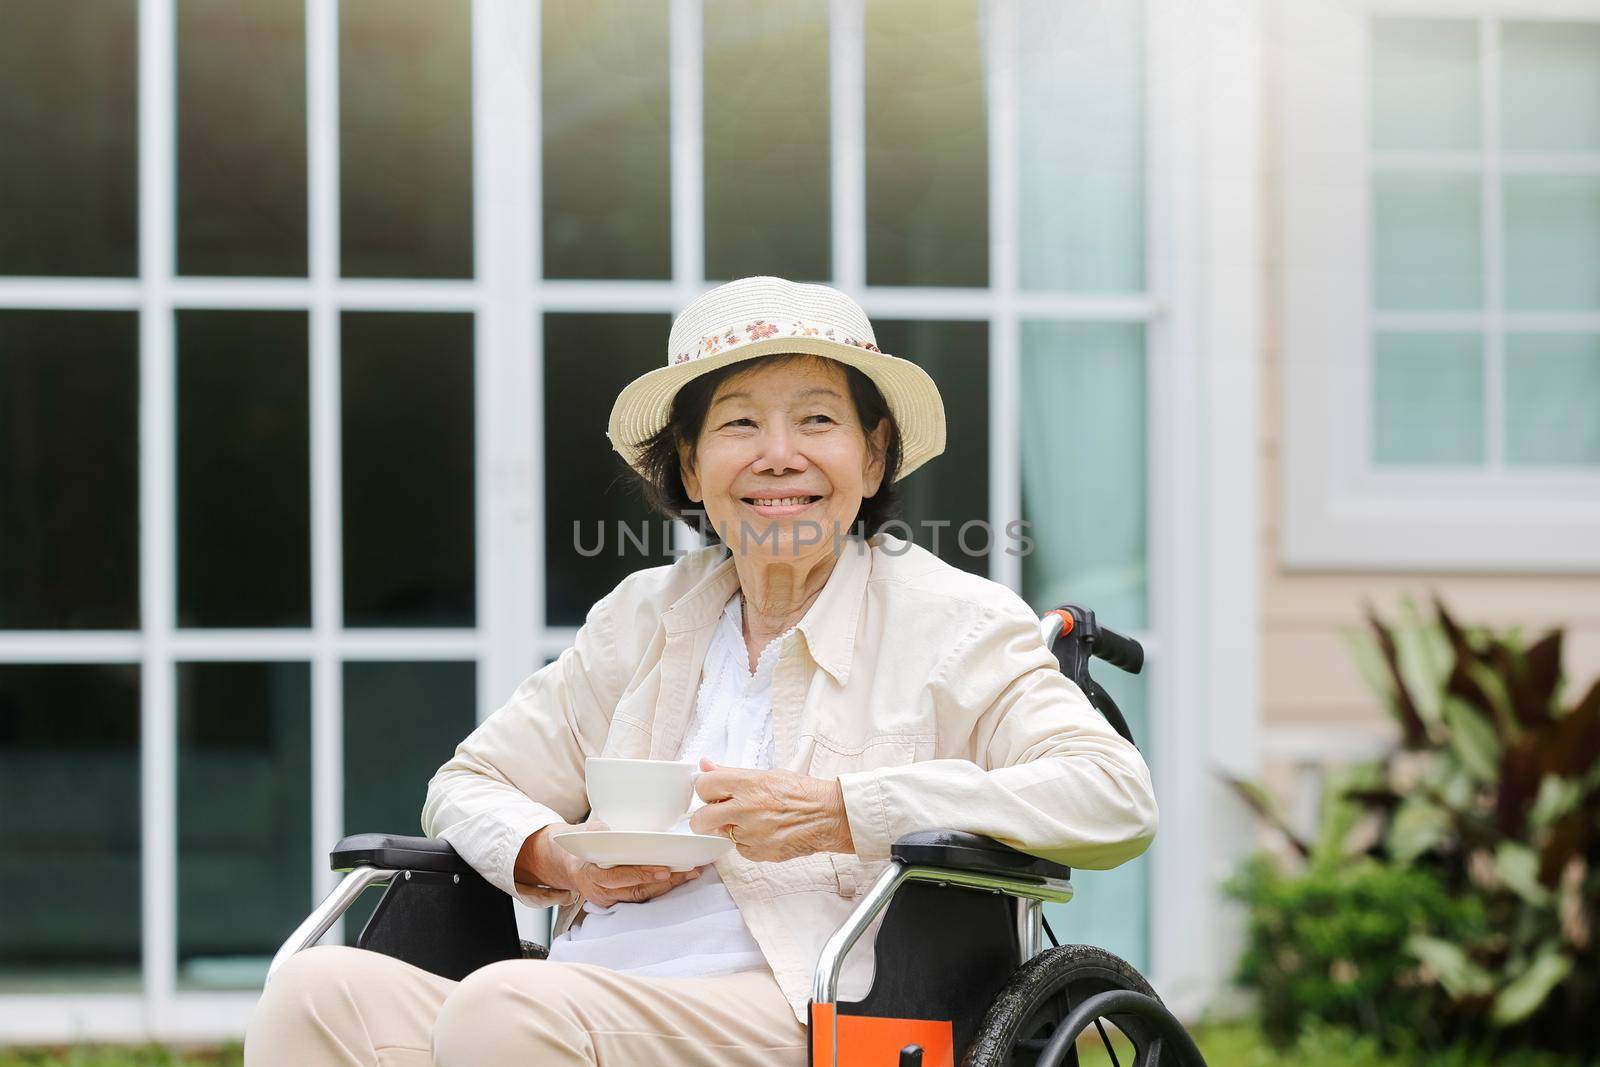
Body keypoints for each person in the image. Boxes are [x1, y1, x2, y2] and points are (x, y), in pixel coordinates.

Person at [244, 275, 1159, 1066]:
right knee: (316, 990)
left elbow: (1111, 794)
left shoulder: (952, 623)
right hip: (594, 987)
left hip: (818, 1001)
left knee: (506, 1006)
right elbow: (468, 782)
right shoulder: (643, 618)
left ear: (873, 455)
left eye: (817, 420)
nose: (778, 456)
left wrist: (847, 808)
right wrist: (555, 855)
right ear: (688, 464)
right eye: (738, 425)